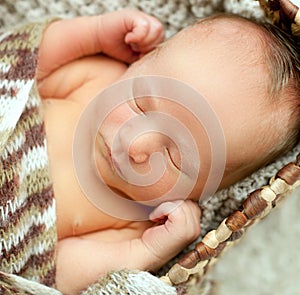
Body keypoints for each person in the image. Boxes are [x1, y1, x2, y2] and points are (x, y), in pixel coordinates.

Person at [36, 9, 299, 294]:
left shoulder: (132, 221)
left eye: (175, 158)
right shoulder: (95, 80)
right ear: (140, 61)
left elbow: (50, 273)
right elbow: (26, 63)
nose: (137, 146)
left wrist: (148, 250)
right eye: (140, 106)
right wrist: (95, 33)